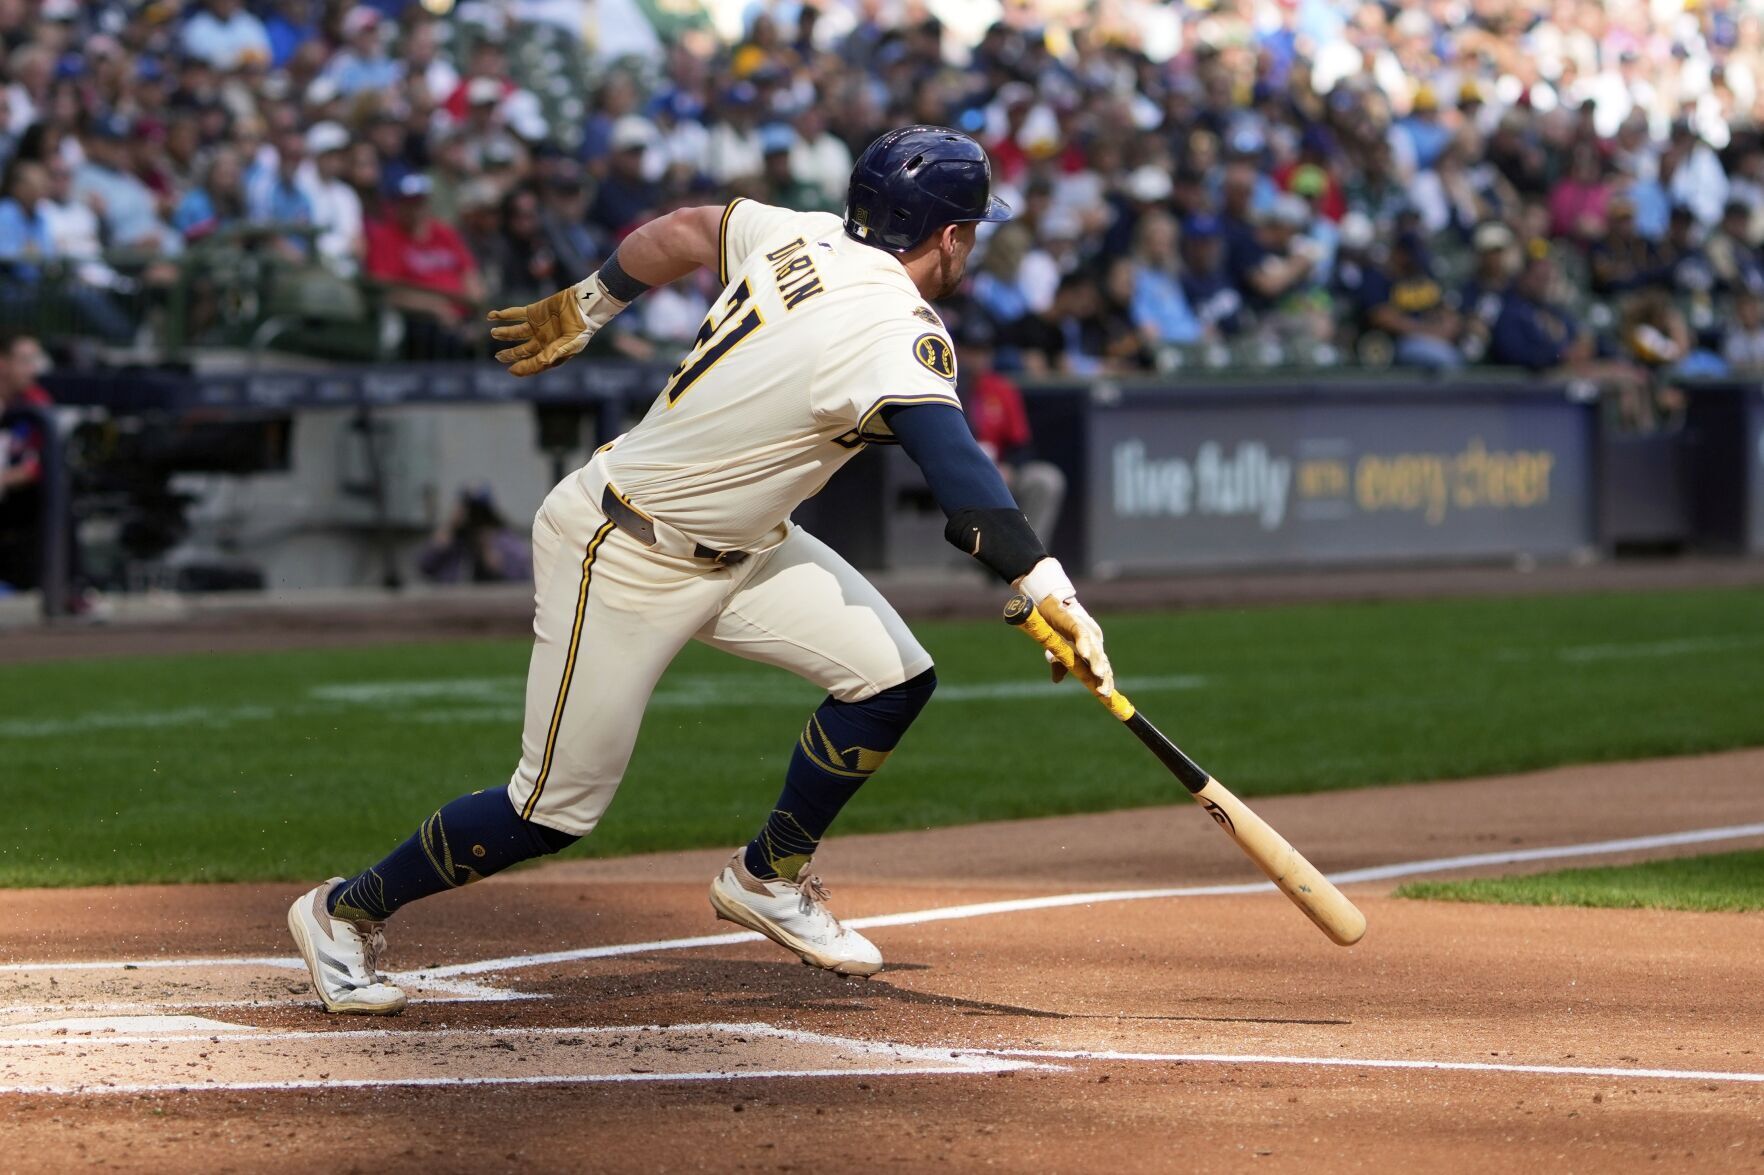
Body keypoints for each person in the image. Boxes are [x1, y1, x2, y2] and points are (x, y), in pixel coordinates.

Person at [286, 126, 1114, 1014]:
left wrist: (595, 300)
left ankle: (769, 876)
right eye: (972, 230)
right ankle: (344, 910)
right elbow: (964, 480)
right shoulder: (895, 328)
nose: (974, 245)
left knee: (892, 678)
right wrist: (1048, 586)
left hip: (748, 545)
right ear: (948, 236)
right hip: (624, 550)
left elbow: (683, 229)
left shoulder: (798, 232)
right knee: (551, 809)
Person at [0, 329, 52, 591]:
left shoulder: (36, 402)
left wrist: (4, 480)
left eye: (35, 361)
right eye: (25, 361)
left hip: (17, 502)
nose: (33, 369)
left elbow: (37, 466)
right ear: (3, 363)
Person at [417, 486, 533, 585]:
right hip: (453, 605)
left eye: (480, 514)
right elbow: (425, 567)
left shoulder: (505, 540)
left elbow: (523, 577)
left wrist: (494, 559)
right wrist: (450, 528)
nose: (475, 521)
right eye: (470, 513)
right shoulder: (454, 542)